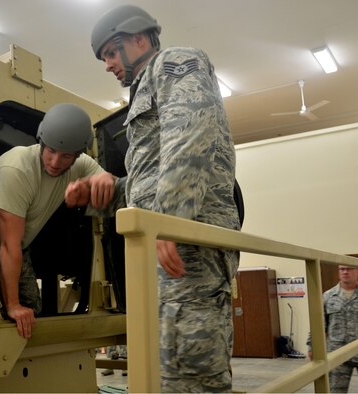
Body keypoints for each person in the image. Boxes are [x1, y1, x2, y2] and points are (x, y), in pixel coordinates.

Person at [68, 5, 241, 392]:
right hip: (168, 245)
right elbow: (149, 179)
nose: (108, 64)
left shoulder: (176, 62)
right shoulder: (144, 88)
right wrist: (105, 192)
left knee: (194, 373)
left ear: (139, 38)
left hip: (190, 244)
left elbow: (192, 132)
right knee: (169, 369)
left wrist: (172, 220)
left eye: (111, 53)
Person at [0, 103, 116, 339]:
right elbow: (8, 246)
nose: (55, 162)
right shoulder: (16, 170)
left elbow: (104, 178)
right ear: (42, 142)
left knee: (32, 312)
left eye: (65, 156)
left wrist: (103, 180)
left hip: (18, 248)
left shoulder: (79, 163)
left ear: (77, 154)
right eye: (51, 151)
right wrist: (13, 306)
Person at [306, 265, 358, 392]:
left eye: (349, 269)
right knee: (335, 391)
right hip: (338, 355)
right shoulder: (328, 296)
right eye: (342, 269)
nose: (345, 272)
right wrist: (312, 346)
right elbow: (318, 325)